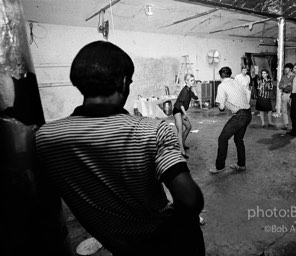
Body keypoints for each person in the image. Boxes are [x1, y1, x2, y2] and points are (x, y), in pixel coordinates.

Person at [35, 41, 205, 256]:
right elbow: (191, 200)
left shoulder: (46, 138)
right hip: (168, 241)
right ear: (124, 81)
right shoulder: (152, 130)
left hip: (121, 246)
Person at [209, 66, 252, 174]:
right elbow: (247, 93)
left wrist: (220, 104)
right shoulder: (236, 82)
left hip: (239, 116)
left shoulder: (222, 86)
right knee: (238, 140)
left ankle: (219, 167)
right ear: (230, 74)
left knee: (222, 139)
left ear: (221, 76)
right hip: (248, 113)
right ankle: (241, 165)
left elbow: (222, 108)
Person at [173, 73, 198, 158]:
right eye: (191, 80)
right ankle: (182, 151)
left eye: (193, 80)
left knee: (189, 127)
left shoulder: (189, 90)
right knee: (180, 130)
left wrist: (194, 87)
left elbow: (196, 97)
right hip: (177, 110)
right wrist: (185, 114)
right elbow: (180, 103)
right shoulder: (184, 90)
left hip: (182, 111)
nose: (193, 82)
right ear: (186, 81)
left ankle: (182, 143)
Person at [278, 63, 295, 131]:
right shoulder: (283, 77)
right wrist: (286, 85)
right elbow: (280, 86)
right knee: (284, 111)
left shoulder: (294, 76)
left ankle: (294, 126)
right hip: (284, 94)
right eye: (285, 68)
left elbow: (294, 86)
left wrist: (286, 85)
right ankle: (286, 125)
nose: (285, 69)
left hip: (292, 95)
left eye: (287, 68)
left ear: (290, 69)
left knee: (293, 111)